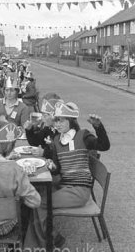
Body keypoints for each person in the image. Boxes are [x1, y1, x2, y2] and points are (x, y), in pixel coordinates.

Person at [24, 101, 110, 249]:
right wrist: (52, 166)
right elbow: (58, 169)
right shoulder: (58, 140)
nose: (57, 124)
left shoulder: (83, 136)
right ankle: (47, 238)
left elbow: (104, 145)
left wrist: (98, 126)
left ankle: (45, 241)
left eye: (61, 120)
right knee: (35, 194)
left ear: (71, 121)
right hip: (65, 185)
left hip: (79, 190)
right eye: (56, 119)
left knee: (38, 202)